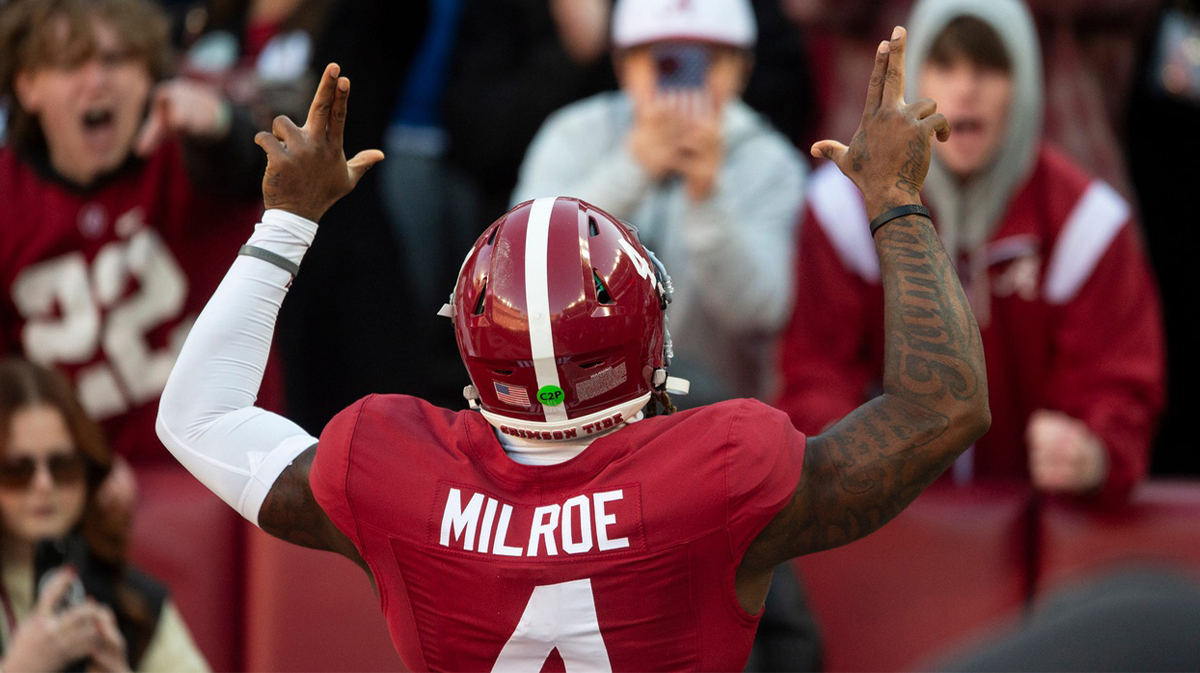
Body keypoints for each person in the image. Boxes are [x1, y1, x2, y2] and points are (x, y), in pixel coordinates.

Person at [156, 27, 989, 671]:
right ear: (648, 336)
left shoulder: (387, 469)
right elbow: (943, 404)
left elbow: (198, 414)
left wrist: (285, 223)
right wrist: (895, 198)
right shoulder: (724, 466)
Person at [777, 0, 1164, 503]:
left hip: (1039, 530)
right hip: (884, 525)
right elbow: (813, 370)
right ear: (912, 78)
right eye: (945, 65)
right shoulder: (842, 209)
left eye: (989, 68)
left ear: (1026, 83)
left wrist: (1094, 451)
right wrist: (838, 439)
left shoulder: (1087, 224)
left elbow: (1118, 383)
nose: (965, 89)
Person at [0, 0, 274, 465]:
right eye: (70, 64)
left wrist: (222, 127)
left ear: (150, 73)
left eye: (115, 59)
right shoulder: (9, 195)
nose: (96, 81)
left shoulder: (189, 151)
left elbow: (262, 178)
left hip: (225, 475)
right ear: (27, 86)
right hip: (67, 493)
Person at [512, 0, 807, 406]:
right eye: (664, 61)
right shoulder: (572, 134)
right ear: (622, 65)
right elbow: (518, 276)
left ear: (741, 68)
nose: (686, 80)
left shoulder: (771, 164)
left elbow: (763, 311)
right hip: (581, 401)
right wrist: (632, 169)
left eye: (706, 60)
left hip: (715, 413)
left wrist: (707, 197)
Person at [0, 358, 208, 672]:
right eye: (17, 470)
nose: (43, 485)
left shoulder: (131, 599)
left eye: (63, 466)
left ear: (89, 471)